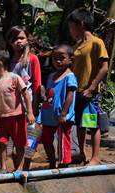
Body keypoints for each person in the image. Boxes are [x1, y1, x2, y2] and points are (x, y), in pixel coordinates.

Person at [68, 8, 109, 165]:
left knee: (92, 124)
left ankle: (95, 157)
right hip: (77, 91)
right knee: (80, 124)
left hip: (89, 92)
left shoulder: (97, 43)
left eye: (72, 26)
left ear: (81, 24)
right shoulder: (78, 45)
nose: (71, 30)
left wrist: (91, 88)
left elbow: (104, 67)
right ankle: (82, 154)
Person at [0, 48, 35, 171]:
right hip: (2, 118)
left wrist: (29, 112)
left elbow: (26, 95)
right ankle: (3, 168)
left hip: (17, 117)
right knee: (2, 143)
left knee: (19, 144)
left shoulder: (14, 77)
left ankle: (19, 169)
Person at [39, 45, 77, 169]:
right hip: (49, 114)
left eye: (62, 58)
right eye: (55, 58)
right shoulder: (51, 76)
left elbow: (70, 95)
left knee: (63, 140)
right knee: (45, 138)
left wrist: (64, 113)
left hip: (62, 115)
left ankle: (63, 164)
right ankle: (51, 162)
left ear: (71, 59)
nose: (58, 61)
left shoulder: (70, 76)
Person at [5, 26, 42, 116]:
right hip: (8, 103)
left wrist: (35, 106)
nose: (18, 41)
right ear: (9, 41)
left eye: (21, 38)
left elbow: (37, 84)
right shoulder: (6, 59)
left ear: (27, 40)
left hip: (26, 104)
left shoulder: (32, 59)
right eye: (14, 39)